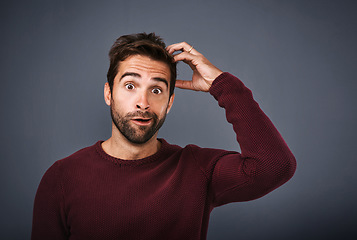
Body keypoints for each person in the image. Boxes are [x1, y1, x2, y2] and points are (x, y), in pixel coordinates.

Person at [31, 32, 296, 240]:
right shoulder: (62, 178)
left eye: (156, 90)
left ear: (169, 103)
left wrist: (222, 83)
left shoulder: (195, 169)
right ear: (109, 94)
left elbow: (274, 166)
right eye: (131, 86)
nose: (143, 103)